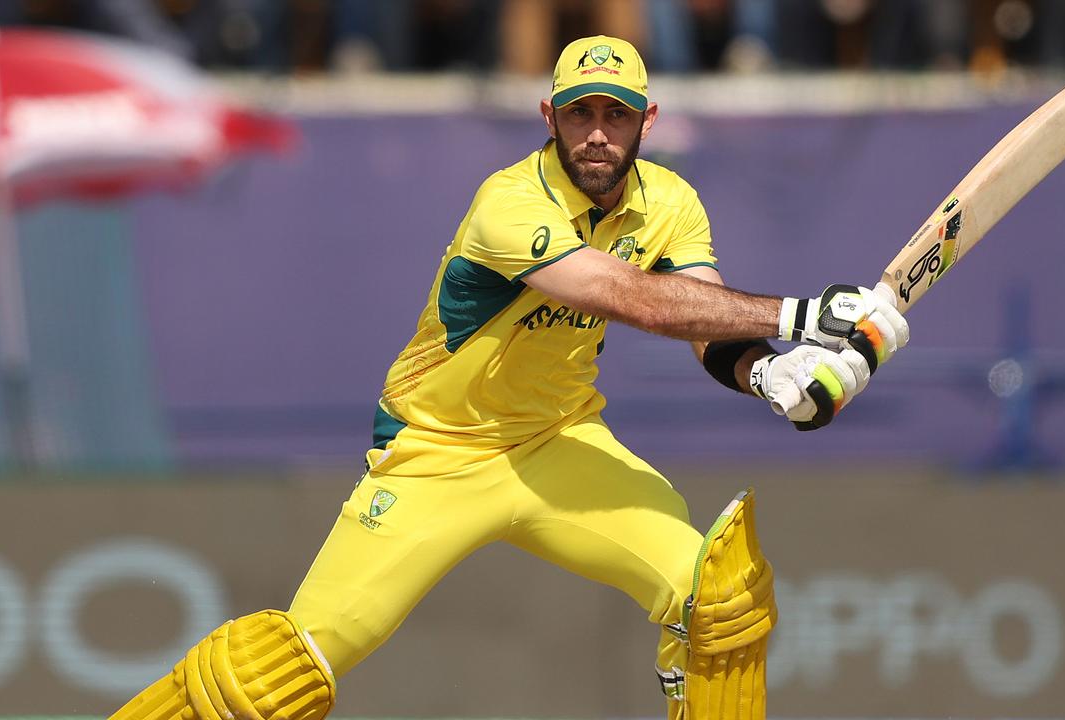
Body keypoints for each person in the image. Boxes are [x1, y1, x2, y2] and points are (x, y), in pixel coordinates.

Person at [109, 34, 909, 720]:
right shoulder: (509, 203)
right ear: (549, 117)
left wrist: (770, 378)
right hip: (437, 455)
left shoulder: (673, 202)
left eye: (617, 114)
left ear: (647, 121)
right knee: (273, 678)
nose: (598, 134)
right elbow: (629, 298)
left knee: (720, 598)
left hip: (558, 442)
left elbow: (701, 320)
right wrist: (806, 317)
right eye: (580, 113)